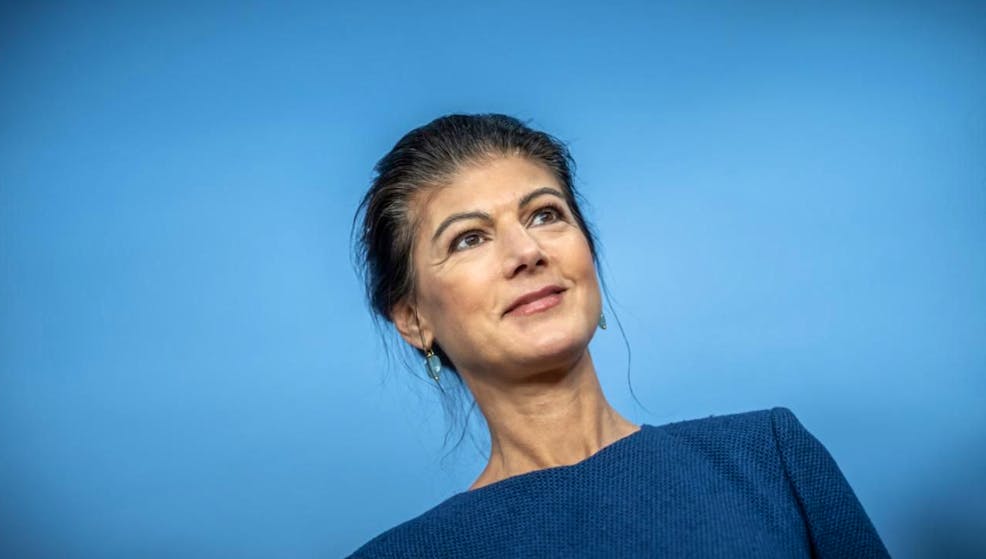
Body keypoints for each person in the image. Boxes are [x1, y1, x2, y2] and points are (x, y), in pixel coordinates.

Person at [348, 114, 889, 558]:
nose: (527, 253)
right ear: (413, 319)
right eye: (469, 239)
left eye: (544, 215)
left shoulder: (768, 458)